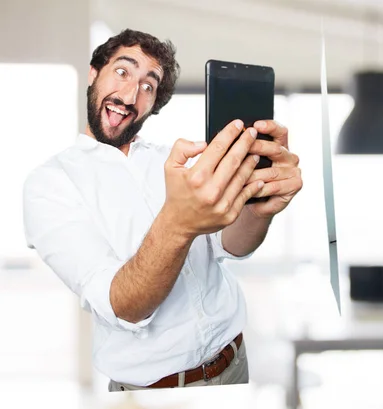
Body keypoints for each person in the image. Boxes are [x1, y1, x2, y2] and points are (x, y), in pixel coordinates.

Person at [22, 29, 302, 391]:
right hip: (151, 394)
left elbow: (232, 244)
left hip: (234, 367)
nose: (130, 94)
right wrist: (178, 223)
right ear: (94, 73)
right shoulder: (50, 184)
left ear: (154, 104)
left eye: (148, 85)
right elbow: (122, 303)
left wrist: (262, 210)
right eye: (123, 72)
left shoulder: (172, 163)